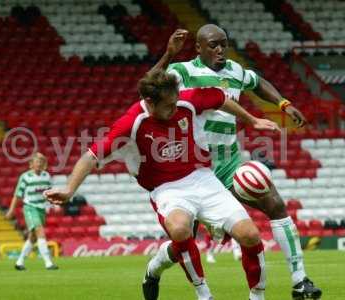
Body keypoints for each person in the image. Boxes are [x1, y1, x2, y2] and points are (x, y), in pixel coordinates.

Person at [44, 70, 281, 300]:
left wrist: (252, 120)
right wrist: (69, 190)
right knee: (180, 230)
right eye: (168, 105)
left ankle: (257, 296)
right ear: (149, 102)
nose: (174, 108)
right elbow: (90, 156)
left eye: (175, 101)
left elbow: (220, 98)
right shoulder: (131, 123)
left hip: (203, 178)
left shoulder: (185, 100)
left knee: (250, 235)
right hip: (167, 189)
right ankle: (204, 294)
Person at [144, 25, 321, 300]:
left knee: (273, 202)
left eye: (223, 44)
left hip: (228, 165)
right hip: (192, 171)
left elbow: (258, 82)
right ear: (199, 48)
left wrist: (283, 104)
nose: (220, 50)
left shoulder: (235, 71)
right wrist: (168, 54)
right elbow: (151, 85)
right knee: (183, 243)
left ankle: (300, 281)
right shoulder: (183, 71)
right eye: (213, 45)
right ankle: (154, 268)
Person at [6, 152, 58, 271]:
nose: (39, 164)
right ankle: (48, 262)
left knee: (33, 238)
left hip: (41, 209)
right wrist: (11, 210)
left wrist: (55, 204)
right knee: (40, 231)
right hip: (30, 207)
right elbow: (17, 195)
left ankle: (19, 262)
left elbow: (50, 193)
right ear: (31, 164)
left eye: (41, 162)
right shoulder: (25, 177)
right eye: (37, 162)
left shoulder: (46, 176)